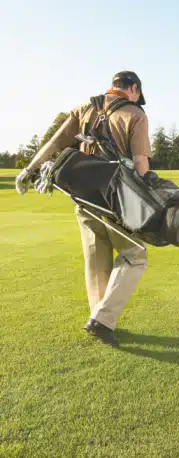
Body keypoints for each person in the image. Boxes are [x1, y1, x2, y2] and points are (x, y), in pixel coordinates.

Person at [16, 71, 151, 347]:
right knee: (136, 255)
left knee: (96, 259)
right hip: (116, 200)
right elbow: (140, 162)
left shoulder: (83, 109)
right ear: (133, 89)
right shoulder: (135, 114)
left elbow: (55, 143)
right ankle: (102, 320)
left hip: (81, 197)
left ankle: (100, 318)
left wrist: (29, 170)